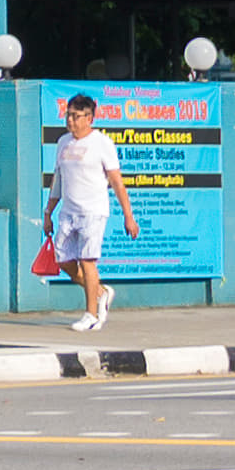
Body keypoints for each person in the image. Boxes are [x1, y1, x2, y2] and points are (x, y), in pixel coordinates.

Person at [43, 92, 140, 336]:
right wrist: (48, 212)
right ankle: (100, 293)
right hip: (68, 212)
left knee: (88, 261)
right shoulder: (63, 142)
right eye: (68, 115)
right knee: (63, 260)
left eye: (76, 116)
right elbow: (58, 180)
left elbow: (117, 182)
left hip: (93, 212)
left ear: (90, 118)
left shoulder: (102, 143)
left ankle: (91, 315)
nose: (70, 121)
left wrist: (129, 216)